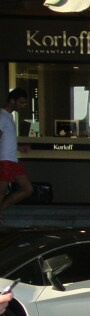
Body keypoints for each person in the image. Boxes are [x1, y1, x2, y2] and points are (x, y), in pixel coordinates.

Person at [0, 88, 33, 225]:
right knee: (1, 191)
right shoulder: (2, 116)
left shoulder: (9, 116)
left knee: (28, 189)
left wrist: (19, 148)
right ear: (12, 101)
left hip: (12, 159)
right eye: (21, 102)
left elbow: (6, 139)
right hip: (5, 160)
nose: (23, 105)